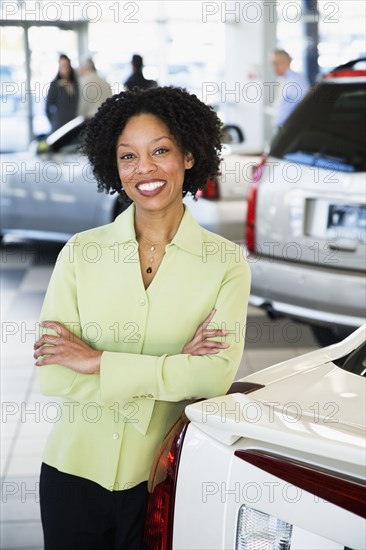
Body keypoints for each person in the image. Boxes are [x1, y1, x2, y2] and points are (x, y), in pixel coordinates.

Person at [34, 86, 251, 549]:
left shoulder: (225, 263)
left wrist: (96, 362)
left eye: (160, 151)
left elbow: (213, 378)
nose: (144, 169)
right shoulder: (81, 253)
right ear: (114, 166)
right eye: (128, 156)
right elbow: (53, 376)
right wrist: (173, 368)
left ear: (189, 156)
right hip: (72, 475)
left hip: (161, 484)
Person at [271, 49, 310, 129]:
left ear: (287, 62)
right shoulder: (281, 79)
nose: (274, 67)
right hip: (282, 127)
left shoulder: (297, 81)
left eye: (276, 63)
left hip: (292, 128)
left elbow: (305, 106)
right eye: (273, 64)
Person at [46, 54, 79, 132]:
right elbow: (47, 108)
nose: (65, 69)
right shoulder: (55, 85)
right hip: (59, 127)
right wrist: (54, 121)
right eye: (63, 66)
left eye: (67, 66)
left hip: (73, 126)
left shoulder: (75, 84)